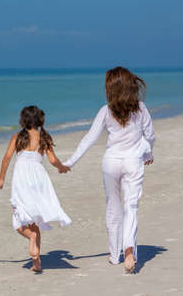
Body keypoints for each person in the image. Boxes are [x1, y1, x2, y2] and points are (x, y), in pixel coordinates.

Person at [63, 66, 155, 273]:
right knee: (131, 207)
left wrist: (70, 162)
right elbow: (150, 136)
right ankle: (129, 250)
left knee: (113, 207)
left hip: (111, 162)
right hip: (133, 162)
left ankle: (115, 255)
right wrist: (148, 153)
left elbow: (89, 139)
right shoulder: (141, 108)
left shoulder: (106, 110)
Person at [0, 106, 72, 272]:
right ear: (40, 120)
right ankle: (37, 263)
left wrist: (1, 178)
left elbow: (7, 158)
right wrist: (62, 167)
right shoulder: (44, 137)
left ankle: (31, 236)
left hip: (21, 177)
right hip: (38, 177)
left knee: (20, 217)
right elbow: (52, 160)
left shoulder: (18, 137)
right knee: (35, 219)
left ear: (23, 120)